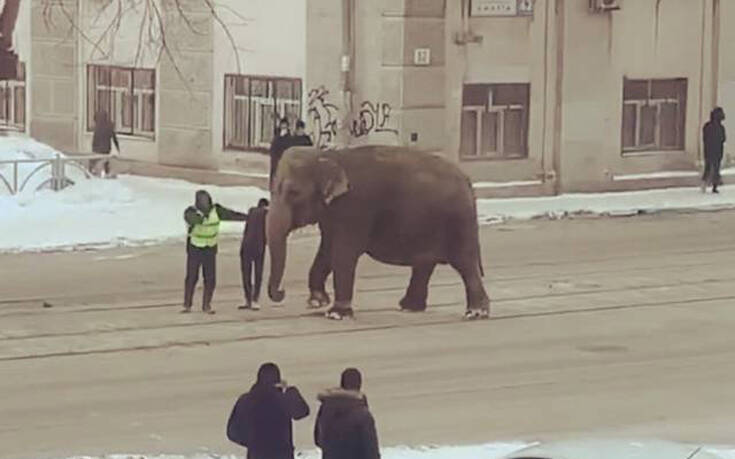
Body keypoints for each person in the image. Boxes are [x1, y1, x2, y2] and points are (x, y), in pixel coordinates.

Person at [226, 362, 310, 459]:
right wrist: (289, 391)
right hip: (282, 454)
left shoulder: (246, 400)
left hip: (257, 455)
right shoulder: (282, 398)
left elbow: (232, 432)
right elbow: (302, 412)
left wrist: (253, 444)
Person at [182, 190, 247, 314]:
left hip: (210, 248)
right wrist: (202, 215)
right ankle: (187, 304)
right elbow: (194, 220)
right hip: (195, 247)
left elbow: (232, 215)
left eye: (206, 200)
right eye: (202, 201)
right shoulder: (190, 212)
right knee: (192, 277)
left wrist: (248, 217)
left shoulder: (216, 210)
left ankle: (207, 305)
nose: (205, 203)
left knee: (210, 278)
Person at [314, 368, 380, 459]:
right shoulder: (362, 413)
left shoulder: (326, 408)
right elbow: (371, 448)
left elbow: (318, 440)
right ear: (359, 385)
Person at [239, 198, 269, 311]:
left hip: (245, 246)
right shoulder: (267, 214)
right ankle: (255, 299)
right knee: (258, 273)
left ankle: (248, 299)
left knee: (246, 273)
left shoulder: (251, 211)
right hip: (259, 247)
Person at [702, 107, 727, 194]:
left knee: (708, 167)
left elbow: (704, 138)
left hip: (708, 150)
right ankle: (714, 186)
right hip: (718, 150)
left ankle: (704, 185)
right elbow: (723, 139)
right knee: (716, 168)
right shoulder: (721, 128)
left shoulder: (707, 126)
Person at [90, 110, 120, 178]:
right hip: (106, 148)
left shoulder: (98, 127)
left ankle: (93, 172)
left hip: (98, 148)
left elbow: (95, 139)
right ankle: (106, 172)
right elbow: (114, 137)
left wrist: (93, 148)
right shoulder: (109, 126)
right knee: (105, 160)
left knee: (95, 160)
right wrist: (117, 147)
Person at [270, 117, 292, 188]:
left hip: (284, 158)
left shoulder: (289, 136)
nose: (283, 126)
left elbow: (288, 146)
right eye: (282, 124)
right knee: (275, 174)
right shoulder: (277, 135)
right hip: (276, 158)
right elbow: (273, 146)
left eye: (285, 125)